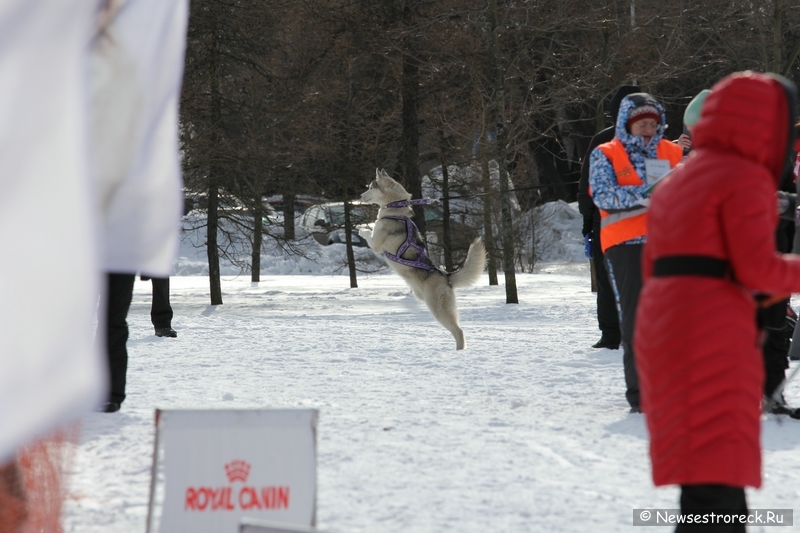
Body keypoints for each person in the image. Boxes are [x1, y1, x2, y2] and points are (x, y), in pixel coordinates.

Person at [635, 71, 800, 529]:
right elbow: (758, 270)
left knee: (701, 470)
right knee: (718, 480)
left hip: (666, 327)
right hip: (711, 330)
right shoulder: (741, 176)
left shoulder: (682, 177)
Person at [588, 93, 683, 413]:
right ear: (626, 123)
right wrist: (648, 193)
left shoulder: (671, 151)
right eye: (640, 123)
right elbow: (604, 196)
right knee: (637, 320)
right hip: (625, 247)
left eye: (652, 123)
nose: (646, 129)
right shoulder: (606, 153)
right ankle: (640, 394)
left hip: (668, 245)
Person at [578, 86, 640, 350]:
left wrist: (587, 223)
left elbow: (586, 185)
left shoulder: (602, 140)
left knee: (607, 281)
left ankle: (611, 335)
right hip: (640, 222)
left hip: (607, 223)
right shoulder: (653, 141)